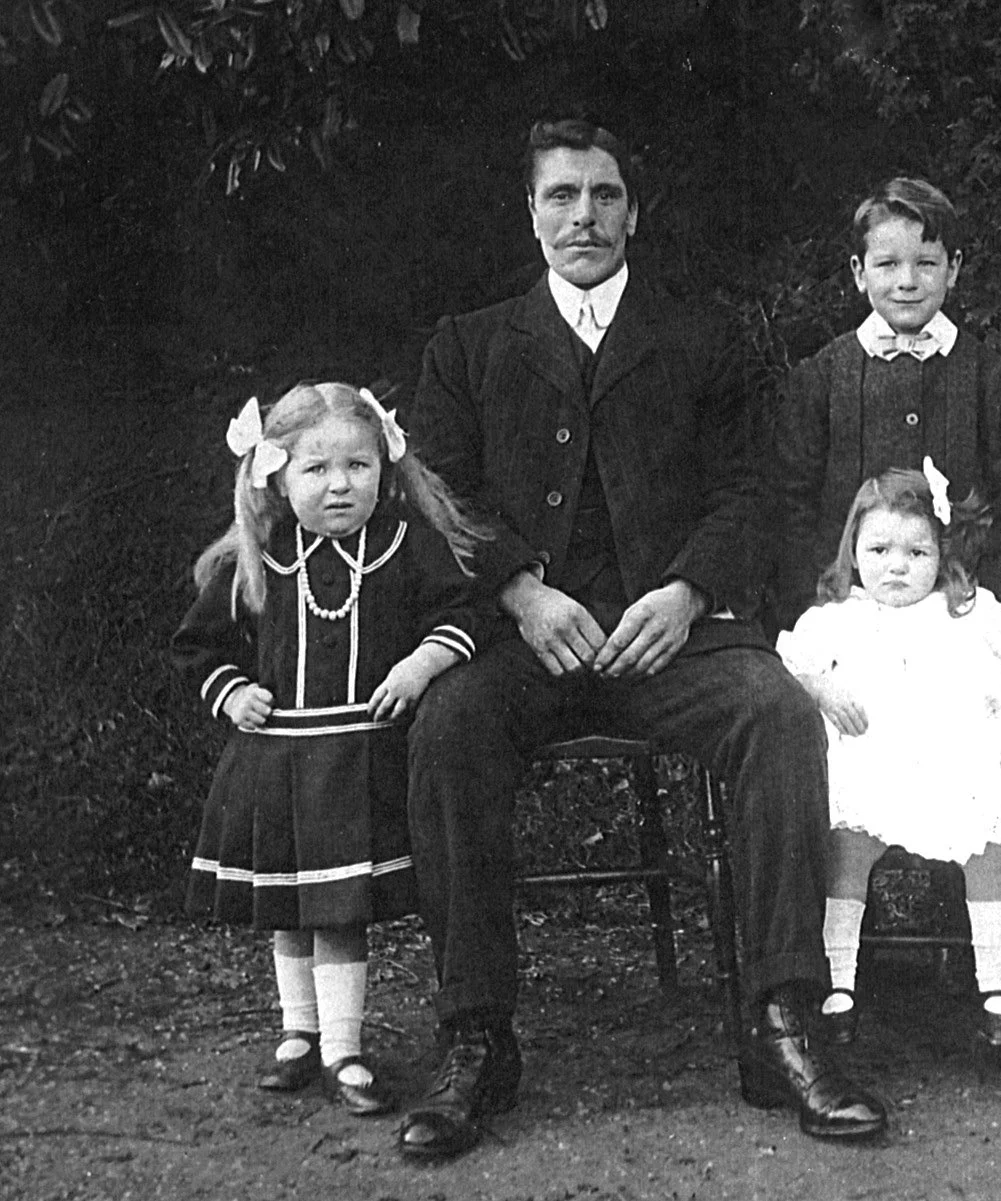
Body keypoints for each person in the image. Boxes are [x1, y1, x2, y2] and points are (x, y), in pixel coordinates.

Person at [396, 115, 887, 1159]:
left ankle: (782, 1022)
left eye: (604, 195)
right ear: (528, 213)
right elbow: (440, 496)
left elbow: (752, 491)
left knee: (776, 715)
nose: (584, 216)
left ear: (635, 210)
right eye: (561, 196)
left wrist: (685, 588)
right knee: (449, 727)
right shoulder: (470, 345)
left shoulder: (701, 337)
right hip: (528, 643)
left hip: (679, 636)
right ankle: (475, 1035)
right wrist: (521, 592)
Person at [175, 383, 488, 1117]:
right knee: (291, 907)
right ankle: (297, 1033)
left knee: (340, 909)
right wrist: (232, 692)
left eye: (358, 465)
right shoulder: (259, 556)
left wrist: (420, 665)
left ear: (386, 466)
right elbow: (197, 648)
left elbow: (463, 613)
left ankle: (345, 1048)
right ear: (275, 477)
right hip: (280, 761)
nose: (340, 484)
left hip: (358, 761)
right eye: (316, 470)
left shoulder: (406, 547)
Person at [776, 464, 1001, 1071]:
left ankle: (997, 988)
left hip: (957, 772)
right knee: (848, 849)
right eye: (879, 550)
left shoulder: (962, 607)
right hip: (874, 768)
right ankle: (841, 982)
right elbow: (791, 663)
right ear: (853, 551)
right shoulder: (839, 617)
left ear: (942, 552)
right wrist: (824, 688)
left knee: (989, 849)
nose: (897, 566)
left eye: (916, 550)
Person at [773, 177, 1001, 629]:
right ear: (859, 272)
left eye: (926, 263)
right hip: (848, 613)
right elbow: (792, 506)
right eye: (887, 265)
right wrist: (817, 607)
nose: (907, 282)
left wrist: (993, 614)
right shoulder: (822, 377)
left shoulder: (989, 376)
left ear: (953, 269)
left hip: (964, 613)